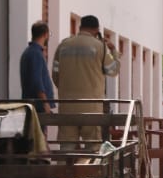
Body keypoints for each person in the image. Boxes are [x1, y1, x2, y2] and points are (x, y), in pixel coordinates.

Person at [51, 14, 119, 145]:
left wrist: (66, 91)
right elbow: (113, 70)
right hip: (92, 108)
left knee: (67, 148)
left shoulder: (63, 45)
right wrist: (113, 50)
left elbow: (55, 75)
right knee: (92, 149)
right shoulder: (100, 46)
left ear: (80, 27)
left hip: (67, 107)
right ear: (97, 30)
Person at [19, 21, 55, 117]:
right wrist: (45, 103)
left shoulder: (29, 52)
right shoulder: (36, 54)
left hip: (33, 104)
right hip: (38, 106)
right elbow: (37, 81)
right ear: (45, 34)